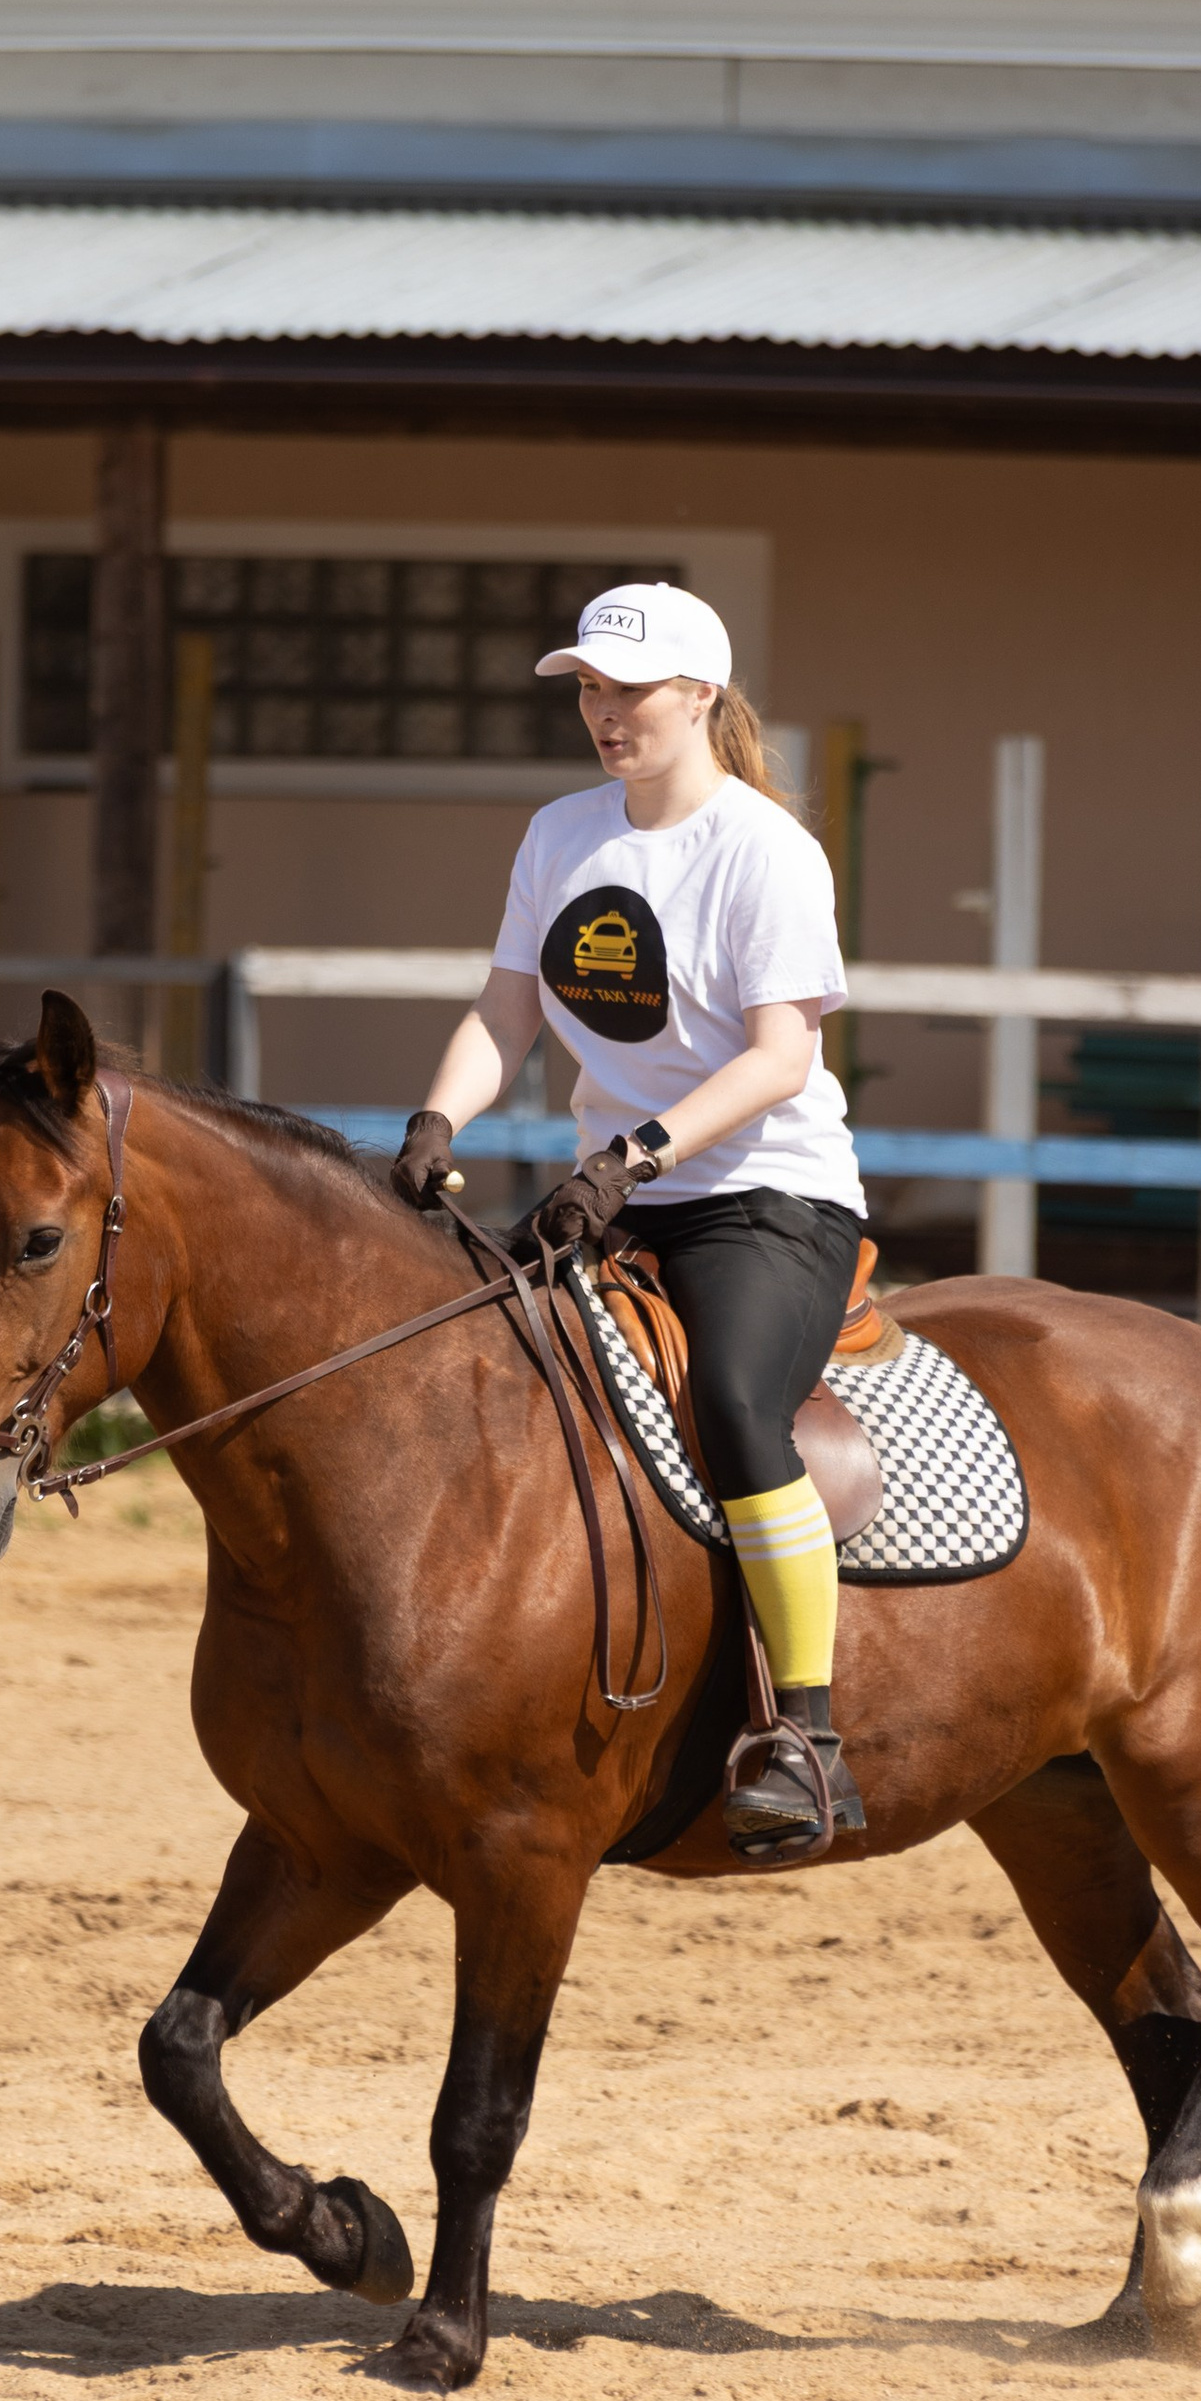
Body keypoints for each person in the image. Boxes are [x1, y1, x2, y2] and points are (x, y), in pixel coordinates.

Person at [393, 580, 868, 1853]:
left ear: (701, 695)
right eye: (589, 691)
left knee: (730, 1403)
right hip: (611, 1193)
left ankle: (807, 1736)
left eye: (630, 690)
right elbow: (504, 1011)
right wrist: (438, 1121)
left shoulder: (768, 851)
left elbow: (777, 1060)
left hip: (763, 1197)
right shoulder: (560, 835)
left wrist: (634, 1153)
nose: (605, 714)